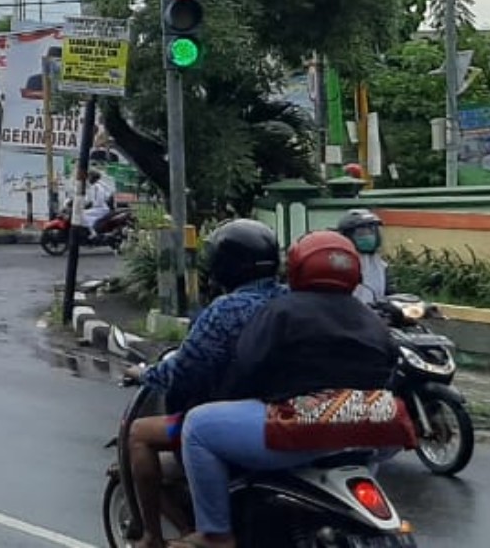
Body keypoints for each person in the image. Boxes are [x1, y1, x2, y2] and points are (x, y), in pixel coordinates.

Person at [176, 232, 415, 547]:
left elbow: (247, 367)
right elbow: (390, 368)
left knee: (198, 426)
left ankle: (215, 534)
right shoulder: (370, 318)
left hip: (305, 428)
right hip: (375, 430)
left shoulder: (282, 311)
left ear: (297, 268)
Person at [120, 219, 285, 548]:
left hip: (239, 414)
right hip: (291, 409)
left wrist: (143, 373)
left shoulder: (226, 310)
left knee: (139, 433)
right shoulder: (290, 299)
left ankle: (153, 536)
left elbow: (183, 370)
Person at [335, 208, 389, 306]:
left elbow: (389, 293)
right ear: (348, 235)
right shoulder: (341, 264)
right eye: (362, 233)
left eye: (371, 232)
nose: (368, 236)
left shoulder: (381, 265)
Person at [82, 155, 117, 235]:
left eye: (89, 177)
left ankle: (92, 232)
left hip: (101, 209)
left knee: (83, 215)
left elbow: (98, 201)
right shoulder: (99, 185)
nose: (88, 179)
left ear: (92, 177)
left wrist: (88, 205)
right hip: (102, 208)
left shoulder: (97, 186)